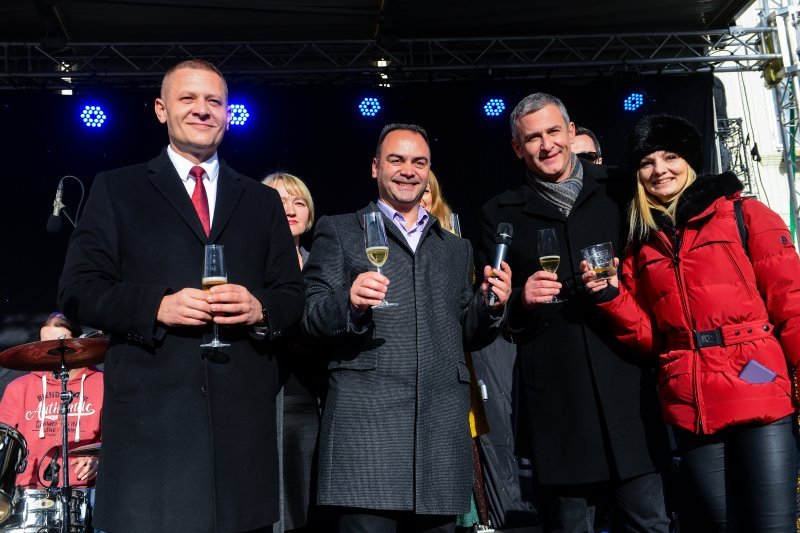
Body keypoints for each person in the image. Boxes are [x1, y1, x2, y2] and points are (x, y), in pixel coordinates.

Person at [58, 59, 305, 533]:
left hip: (240, 434)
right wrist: (156, 306)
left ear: (228, 114)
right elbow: (78, 289)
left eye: (214, 101)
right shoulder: (117, 189)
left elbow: (292, 296)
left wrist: (260, 309)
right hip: (154, 435)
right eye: (188, 98)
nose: (202, 110)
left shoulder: (261, 201)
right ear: (160, 109)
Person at [582, 114, 800, 532]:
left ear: (691, 161)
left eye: (671, 156)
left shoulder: (745, 214)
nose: (659, 169)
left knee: (773, 527)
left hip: (757, 382)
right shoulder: (641, 243)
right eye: (646, 162)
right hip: (690, 402)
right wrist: (612, 298)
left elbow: (790, 301)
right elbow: (650, 338)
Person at [302, 123, 512, 533]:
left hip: (438, 435)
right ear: (375, 167)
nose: (407, 170)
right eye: (396, 160)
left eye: (419, 162)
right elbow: (311, 317)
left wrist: (492, 304)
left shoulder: (455, 247)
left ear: (429, 170)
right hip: (366, 436)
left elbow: (466, 333)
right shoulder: (341, 230)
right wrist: (349, 302)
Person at [478, 92, 670, 532]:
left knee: (649, 524)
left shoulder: (622, 189)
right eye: (532, 138)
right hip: (558, 402)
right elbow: (500, 316)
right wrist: (522, 299)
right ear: (516, 148)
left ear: (570, 132)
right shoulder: (499, 213)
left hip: (629, 392)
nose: (546, 145)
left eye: (552, 132)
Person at [263, 172, 326, 532]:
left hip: (314, 405)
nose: (290, 208)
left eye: (298, 201)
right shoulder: (246, 265)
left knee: (311, 512)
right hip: (267, 403)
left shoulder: (323, 263)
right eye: (278, 200)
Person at [0, 312, 101, 489]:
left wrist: (99, 458)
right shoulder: (19, 388)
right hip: (28, 490)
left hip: (84, 490)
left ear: (80, 343)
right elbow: (4, 442)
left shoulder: (102, 384)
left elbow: (118, 438)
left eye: (60, 345)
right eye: (45, 345)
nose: (52, 352)